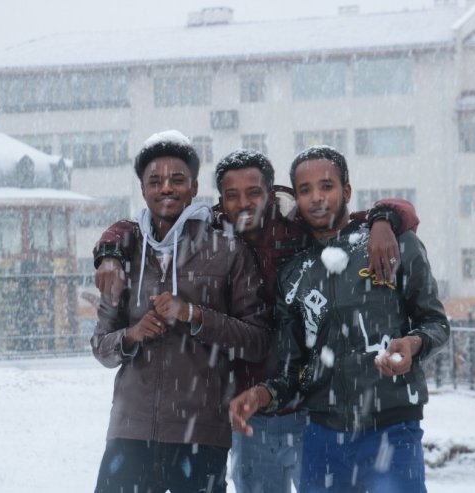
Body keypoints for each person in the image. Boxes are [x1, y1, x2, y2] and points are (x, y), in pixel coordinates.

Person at [93, 149, 420, 493]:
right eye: (232, 196)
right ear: (220, 201)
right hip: (249, 411)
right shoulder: (212, 234)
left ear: (271, 194)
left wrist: (385, 220)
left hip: (310, 404)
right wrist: (109, 250)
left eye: (254, 193)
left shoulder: (298, 232)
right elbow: (134, 227)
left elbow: (361, 216)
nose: (244, 203)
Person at [229, 145, 450, 493]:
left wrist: (413, 343)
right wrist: (263, 394)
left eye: (326, 186)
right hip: (322, 437)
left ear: (346, 190)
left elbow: (436, 324)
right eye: (305, 190)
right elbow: (294, 372)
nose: (317, 197)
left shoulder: (394, 244)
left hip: (392, 430)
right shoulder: (293, 275)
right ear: (296, 199)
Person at [90, 131, 271, 493]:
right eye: (154, 181)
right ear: (143, 190)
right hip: (130, 432)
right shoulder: (124, 251)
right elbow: (101, 347)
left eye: (177, 179)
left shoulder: (227, 250)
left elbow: (257, 341)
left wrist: (195, 315)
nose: (166, 189)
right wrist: (132, 335)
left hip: (201, 433)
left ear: (194, 187)